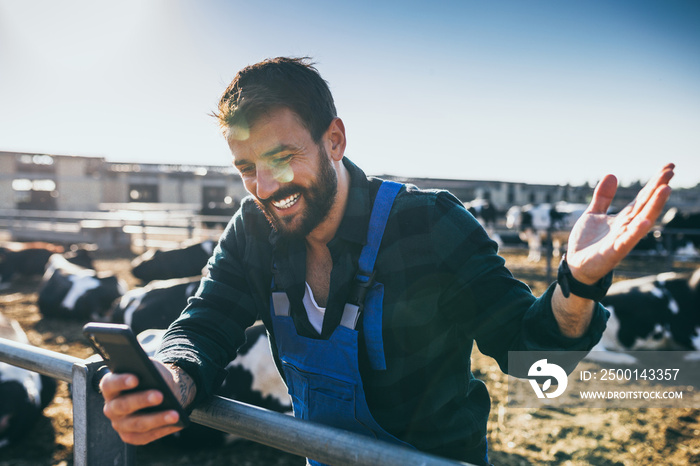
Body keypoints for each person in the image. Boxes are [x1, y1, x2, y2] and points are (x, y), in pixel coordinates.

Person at [100, 57, 675, 465]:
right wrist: (173, 374)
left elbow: (529, 352)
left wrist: (580, 279)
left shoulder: (429, 224)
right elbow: (207, 320)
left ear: (335, 139)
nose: (266, 185)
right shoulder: (255, 229)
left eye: (283, 156)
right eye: (247, 167)